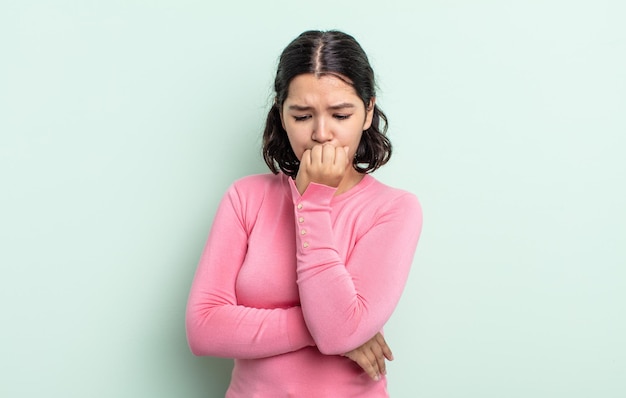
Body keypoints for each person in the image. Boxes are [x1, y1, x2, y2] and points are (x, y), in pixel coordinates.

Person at [185, 30, 422, 397]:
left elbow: (338, 332)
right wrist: (335, 330)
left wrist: (312, 202)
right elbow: (203, 328)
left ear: (367, 112)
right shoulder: (246, 197)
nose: (321, 134)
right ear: (281, 114)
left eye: (341, 114)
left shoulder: (394, 209)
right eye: (302, 116)